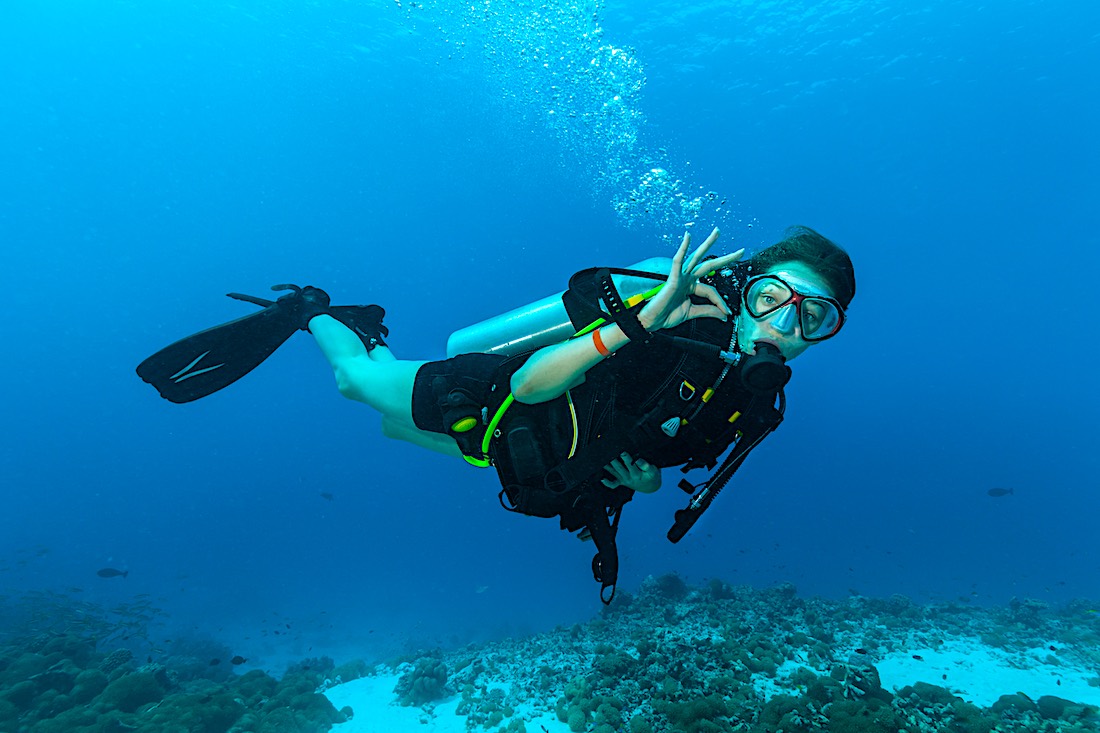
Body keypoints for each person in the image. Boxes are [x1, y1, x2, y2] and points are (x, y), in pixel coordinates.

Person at [138, 226, 855, 602]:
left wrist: (644, 484)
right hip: (497, 397)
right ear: (748, 286)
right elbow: (534, 381)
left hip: (533, 455)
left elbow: (668, 454)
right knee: (358, 385)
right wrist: (639, 324)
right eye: (773, 298)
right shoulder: (673, 315)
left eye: (813, 316)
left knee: (392, 426)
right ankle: (315, 310)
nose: (785, 324)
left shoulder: (754, 397)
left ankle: (362, 332)